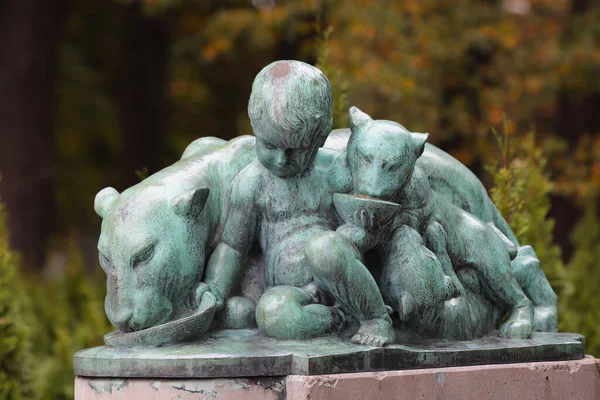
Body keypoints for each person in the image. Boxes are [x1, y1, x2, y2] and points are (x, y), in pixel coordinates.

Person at [196, 60, 395, 346]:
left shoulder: (334, 173)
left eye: (296, 150)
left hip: (341, 279)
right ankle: (338, 320)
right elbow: (233, 247)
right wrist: (215, 288)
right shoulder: (253, 183)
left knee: (325, 250)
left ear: (321, 137)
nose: (280, 160)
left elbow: (360, 233)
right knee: (272, 313)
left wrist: (364, 230)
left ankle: (376, 318)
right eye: (269, 146)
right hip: (297, 293)